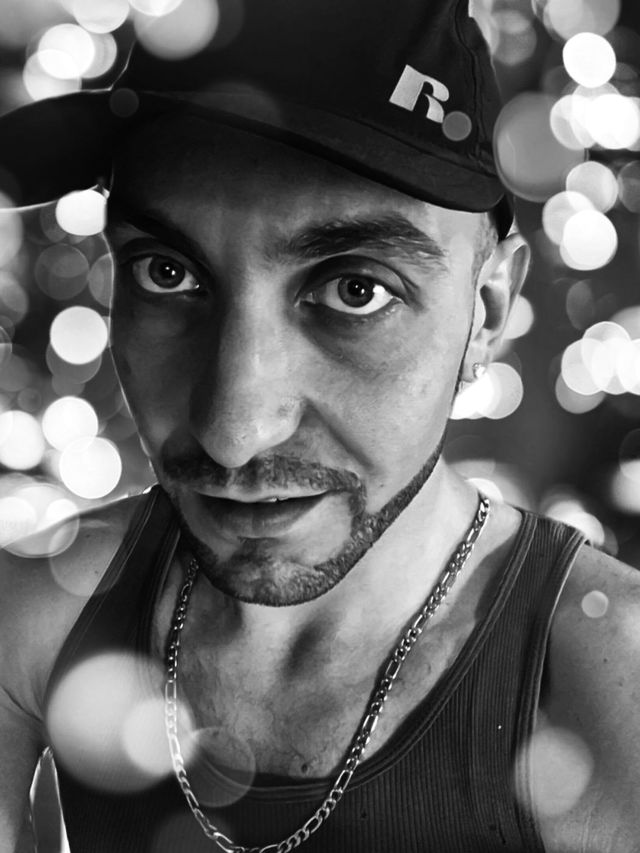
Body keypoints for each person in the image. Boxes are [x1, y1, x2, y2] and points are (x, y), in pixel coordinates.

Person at [0, 0, 639, 851]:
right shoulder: (31, 616)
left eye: (355, 290)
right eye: (166, 273)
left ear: (486, 312)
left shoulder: (614, 681)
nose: (234, 432)